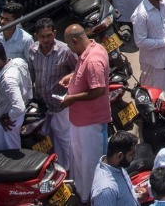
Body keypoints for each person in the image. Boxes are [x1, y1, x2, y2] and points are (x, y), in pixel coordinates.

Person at [60, 24, 110, 199]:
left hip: (90, 123)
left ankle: (92, 198)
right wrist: (72, 77)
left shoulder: (93, 60)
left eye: (69, 45)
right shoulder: (88, 51)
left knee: (90, 165)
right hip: (80, 121)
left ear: (75, 41)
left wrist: (72, 98)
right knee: (80, 162)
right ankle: (83, 195)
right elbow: (85, 76)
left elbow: (98, 90)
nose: (69, 49)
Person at [28, 19, 77, 173]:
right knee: (47, 140)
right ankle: (56, 170)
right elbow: (31, 75)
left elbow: (79, 71)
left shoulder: (65, 51)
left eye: (49, 36)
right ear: (36, 36)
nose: (46, 40)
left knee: (65, 141)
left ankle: (72, 173)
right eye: (42, 37)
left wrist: (69, 78)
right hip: (42, 106)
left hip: (61, 106)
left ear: (55, 34)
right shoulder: (31, 51)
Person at [0, 40, 31, 151]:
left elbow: (19, 108)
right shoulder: (19, 61)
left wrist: (7, 117)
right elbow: (27, 85)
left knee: (10, 160)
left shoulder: (8, 79)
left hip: (8, 125)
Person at [91, 131, 140, 206]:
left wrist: (134, 190)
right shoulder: (106, 190)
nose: (133, 157)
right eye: (131, 154)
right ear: (120, 156)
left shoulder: (116, 166)